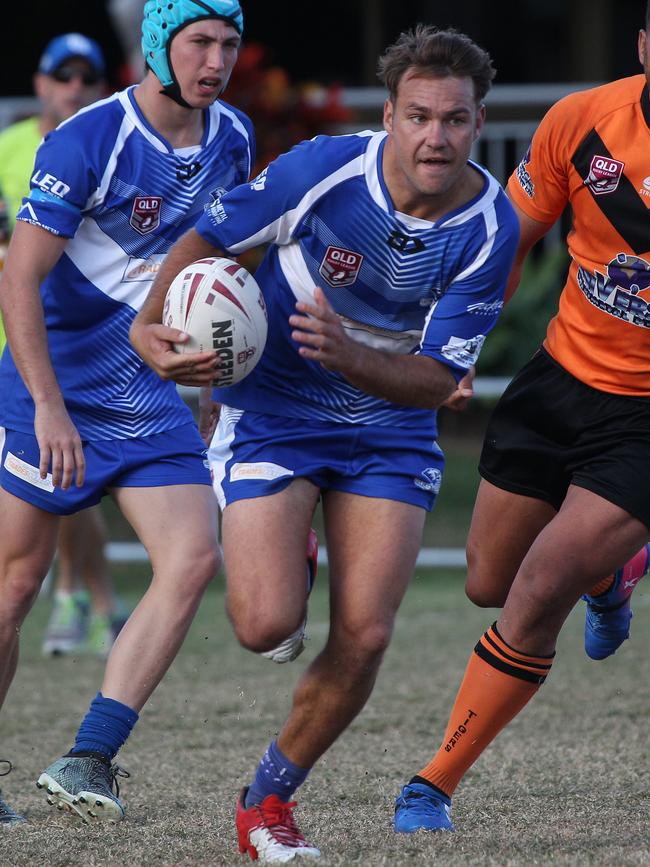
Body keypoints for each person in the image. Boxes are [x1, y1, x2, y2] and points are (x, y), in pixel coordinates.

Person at [131, 24, 519, 861]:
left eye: (455, 120)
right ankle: (291, 544)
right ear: (390, 116)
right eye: (419, 116)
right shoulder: (323, 169)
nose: (437, 137)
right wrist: (148, 325)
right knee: (263, 622)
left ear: (478, 121)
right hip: (275, 403)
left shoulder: (491, 226)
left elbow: (436, 382)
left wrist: (354, 354)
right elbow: (205, 239)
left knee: (367, 633)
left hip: (389, 426)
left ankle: (267, 799)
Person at [393, 5, 650, 834]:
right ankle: (611, 575)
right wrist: (457, 348)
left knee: (537, 592)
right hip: (560, 381)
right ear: (644, 45)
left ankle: (432, 783)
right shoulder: (583, 123)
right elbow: (510, 240)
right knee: (488, 582)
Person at [0, 0, 253, 826]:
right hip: (59, 387)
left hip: (144, 394)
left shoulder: (234, 139)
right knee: (15, 587)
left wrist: (220, 385)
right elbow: (18, 279)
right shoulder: (88, 139)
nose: (216, 60)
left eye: (228, 43)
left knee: (191, 557)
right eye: (199, 43)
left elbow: (222, 264)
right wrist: (47, 408)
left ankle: (89, 756)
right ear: (157, 45)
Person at [0, 32, 127, 659]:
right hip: (10, 338)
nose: (74, 89)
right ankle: (92, 600)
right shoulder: (7, 149)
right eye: (62, 77)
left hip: (75, 348)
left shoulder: (108, 147)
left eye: (87, 79)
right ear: (42, 83)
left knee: (66, 477)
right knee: (53, 486)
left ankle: (81, 596)